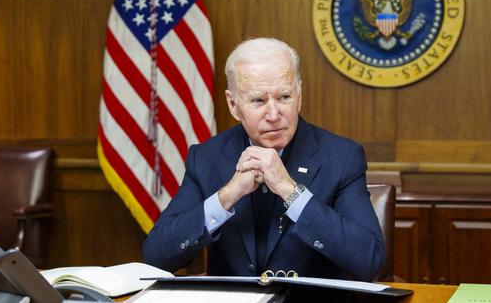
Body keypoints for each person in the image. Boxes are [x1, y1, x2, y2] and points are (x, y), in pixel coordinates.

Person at [143, 38, 384, 281]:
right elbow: (156, 256)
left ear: (299, 95)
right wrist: (228, 195)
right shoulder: (206, 158)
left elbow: (369, 260)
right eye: (258, 100)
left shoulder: (341, 157)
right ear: (233, 105)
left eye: (284, 97)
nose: (273, 114)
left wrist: (291, 191)